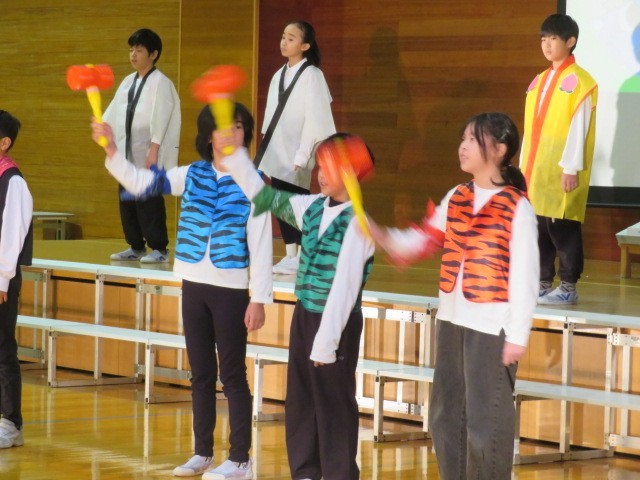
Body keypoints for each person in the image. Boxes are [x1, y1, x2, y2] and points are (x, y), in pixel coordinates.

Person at [90, 103, 272, 479]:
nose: (232, 133)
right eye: (225, 127)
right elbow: (141, 183)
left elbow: (262, 242)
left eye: (239, 127)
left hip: (231, 288)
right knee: (200, 373)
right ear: (209, 136)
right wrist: (112, 150)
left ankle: (240, 459)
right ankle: (202, 452)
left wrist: (258, 298)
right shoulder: (191, 173)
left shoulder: (255, 181)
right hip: (193, 283)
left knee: (232, 375)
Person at [370, 113, 539, 479]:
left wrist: (517, 335)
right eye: (462, 138)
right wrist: (382, 235)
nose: (463, 146)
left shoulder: (518, 208)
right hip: (450, 320)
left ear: (499, 149)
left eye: (473, 140)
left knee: (486, 425)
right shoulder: (456, 196)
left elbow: (526, 276)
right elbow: (423, 238)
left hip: (492, 328)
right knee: (446, 419)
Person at [224, 133, 374, 480]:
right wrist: (236, 157)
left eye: (330, 167)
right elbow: (265, 196)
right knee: (301, 399)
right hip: (305, 314)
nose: (320, 174)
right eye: (320, 166)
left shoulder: (358, 223)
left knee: (334, 403)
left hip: (337, 322)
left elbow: (344, 290)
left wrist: (326, 342)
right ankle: (305, 472)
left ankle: (338, 474)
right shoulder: (313, 206)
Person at [520, 14, 597, 305]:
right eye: (543, 38)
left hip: (561, 169)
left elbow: (579, 127)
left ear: (570, 41)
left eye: (553, 38)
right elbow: (531, 128)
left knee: (562, 226)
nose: (546, 44)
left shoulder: (580, 81)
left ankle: (567, 285)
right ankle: (542, 281)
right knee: (539, 225)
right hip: (536, 169)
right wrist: (523, 166)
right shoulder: (539, 80)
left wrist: (571, 167)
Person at [257, 20, 336, 275]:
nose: (284, 42)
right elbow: (271, 114)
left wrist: (303, 154)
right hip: (278, 149)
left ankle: (301, 254)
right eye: (283, 36)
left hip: (298, 150)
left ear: (305, 45)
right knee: (280, 202)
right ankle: (290, 254)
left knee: (295, 202)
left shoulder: (312, 75)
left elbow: (316, 117)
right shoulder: (278, 74)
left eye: (291, 38)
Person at [103, 28, 181, 264]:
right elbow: (114, 115)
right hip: (128, 153)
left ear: (153, 54)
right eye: (131, 50)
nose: (133, 55)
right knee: (127, 202)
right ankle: (136, 246)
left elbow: (162, 119)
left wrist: (153, 151)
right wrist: (111, 148)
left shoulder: (162, 83)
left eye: (139, 50)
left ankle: (159, 248)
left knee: (149, 201)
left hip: (148, 153)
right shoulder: (128, 82)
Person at [0, 110, 33, 449]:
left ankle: (11, 423)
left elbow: (13, 233)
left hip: (1, 279)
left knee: (2, 349)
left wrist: (2, 279)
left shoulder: (13, 181)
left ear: (4, 142)